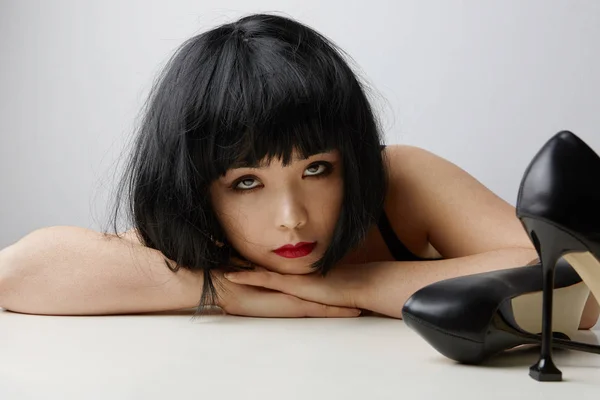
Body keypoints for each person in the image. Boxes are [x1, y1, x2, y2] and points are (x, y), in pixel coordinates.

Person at [0, 13, 598, 327]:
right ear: (195, 187)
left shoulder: (402, 180)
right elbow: (17, 274)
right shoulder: (202, 235)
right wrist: (221, 290)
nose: (292, 219)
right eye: (246, 182)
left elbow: (581, 281)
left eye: (317, 168)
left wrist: (352, 286)